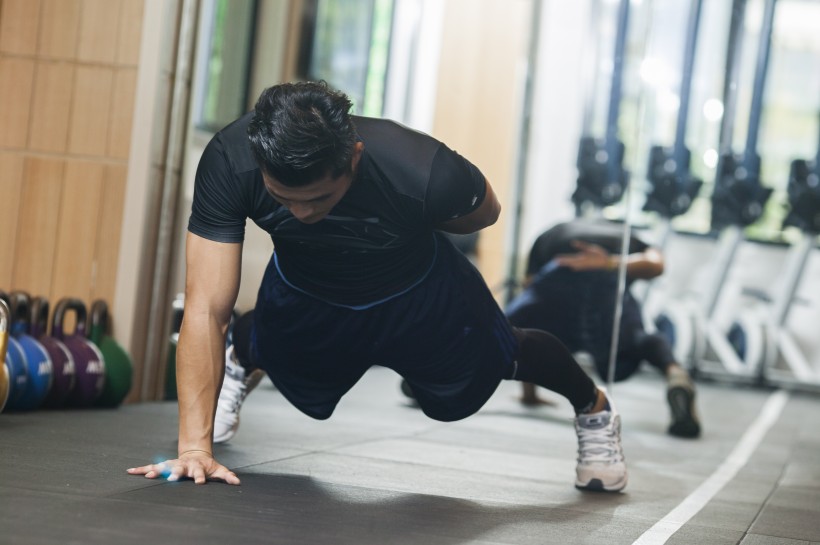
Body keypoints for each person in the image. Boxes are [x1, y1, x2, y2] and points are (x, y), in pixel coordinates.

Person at [127, 81, 628, 492]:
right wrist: (194, 448)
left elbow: (486, 213)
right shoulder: (230, 162)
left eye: (318, 198)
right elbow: (205, 308)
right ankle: (243, 354)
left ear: (355, 158)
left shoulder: (425, 170)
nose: (301, 214)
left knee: (497, 360)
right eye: (286, 199)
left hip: (418, 290)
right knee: (271, 347)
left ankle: (594, 409)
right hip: (308, 288)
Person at [505, 219, 701, 438]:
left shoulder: (554, 231)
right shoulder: (630, 235)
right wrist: (607, 263)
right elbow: (656, 265)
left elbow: (531, 290)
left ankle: (480, 369)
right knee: (635, 340)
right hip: (607, 279)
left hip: (559, 276)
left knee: (521, 332)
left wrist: (528, 393)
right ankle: (674, 371)